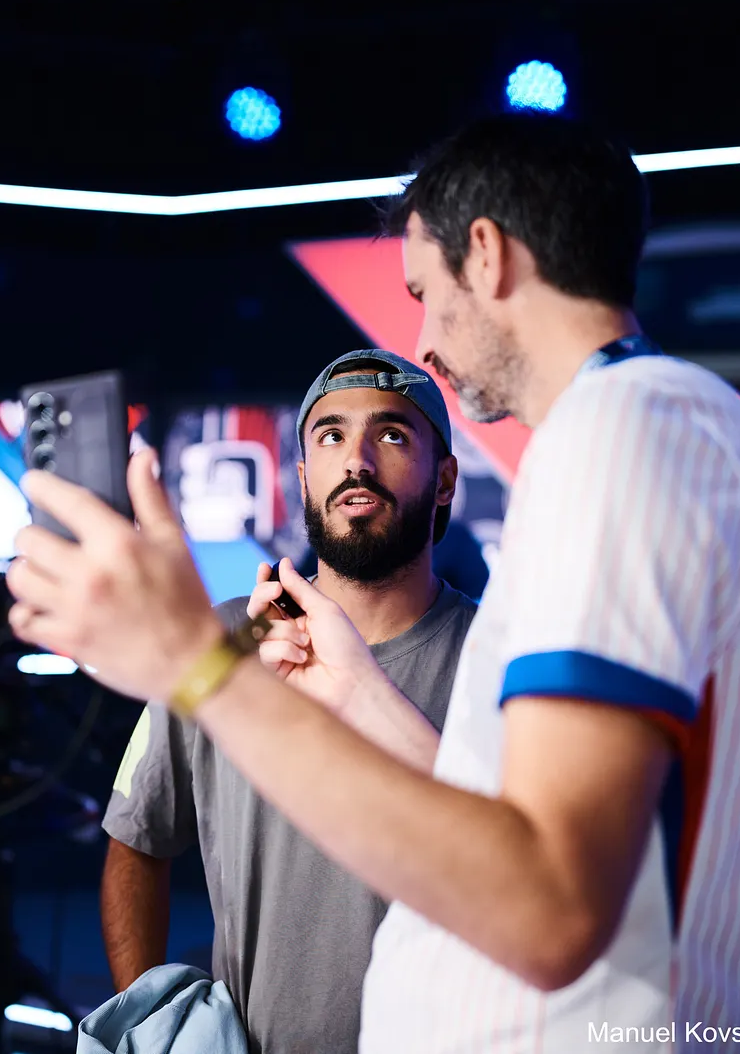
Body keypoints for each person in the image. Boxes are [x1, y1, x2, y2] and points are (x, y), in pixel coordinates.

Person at [7, 112, 740, 1050]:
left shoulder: (617, 439)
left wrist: (200, 667)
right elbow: (529, 827)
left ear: (488, 255)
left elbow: (549, 909)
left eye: (425, 292)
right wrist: (353, 685)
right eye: (330, 436)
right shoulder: (686, 429)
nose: (426, 340)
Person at [99, 349, 479, 1054]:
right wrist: (151, 1030)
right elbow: (136, 839)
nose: (357, 460)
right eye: (331, 436)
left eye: (392, 434)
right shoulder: (224, 644)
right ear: (303, 477)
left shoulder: (496, 659)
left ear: (446, 479)